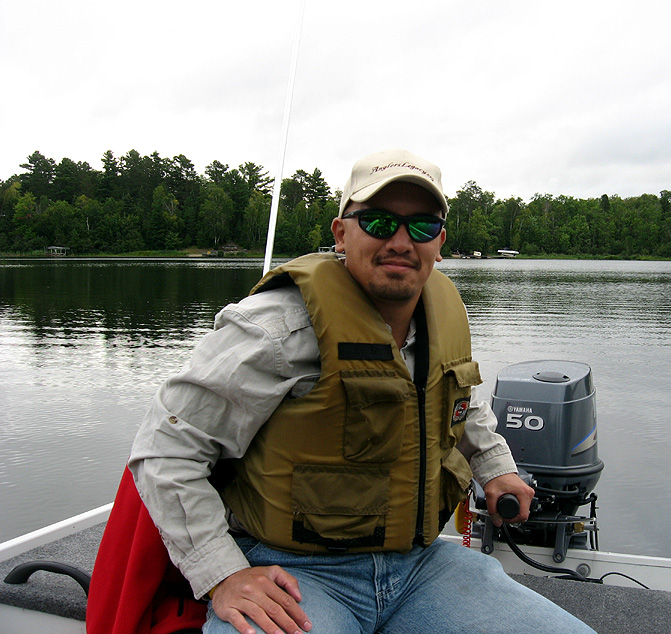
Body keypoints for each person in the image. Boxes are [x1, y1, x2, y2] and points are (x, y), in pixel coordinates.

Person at [128, 148, 595, 634]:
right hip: (294, 571)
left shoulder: (442, 319)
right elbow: (166, 448)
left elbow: (461, 405)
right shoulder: (275, 328)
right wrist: (222, 574)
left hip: (420, 565)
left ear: (439, 242)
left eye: (422, 226)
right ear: (340, 233)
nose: (400, 241)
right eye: (378, 222)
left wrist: (496, 469)